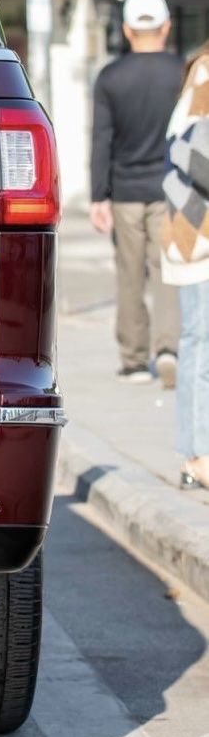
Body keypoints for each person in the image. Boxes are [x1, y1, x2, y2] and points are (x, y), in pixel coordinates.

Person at [90, 0, 182, 384]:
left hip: (125, 192)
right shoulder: (183, 73)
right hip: (174, 191)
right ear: (166, 27)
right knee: (169, 273)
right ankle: (168, 349)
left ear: (127, 30)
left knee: (129, 275)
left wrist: (98, 195)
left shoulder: (111, 77)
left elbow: (102, 140)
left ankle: (133, 358)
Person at [162, 42, 209, 488]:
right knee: (200, 339)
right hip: (197, 231)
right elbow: (193, 153)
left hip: (195, 227)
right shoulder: (206, 74)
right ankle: (196, 453)